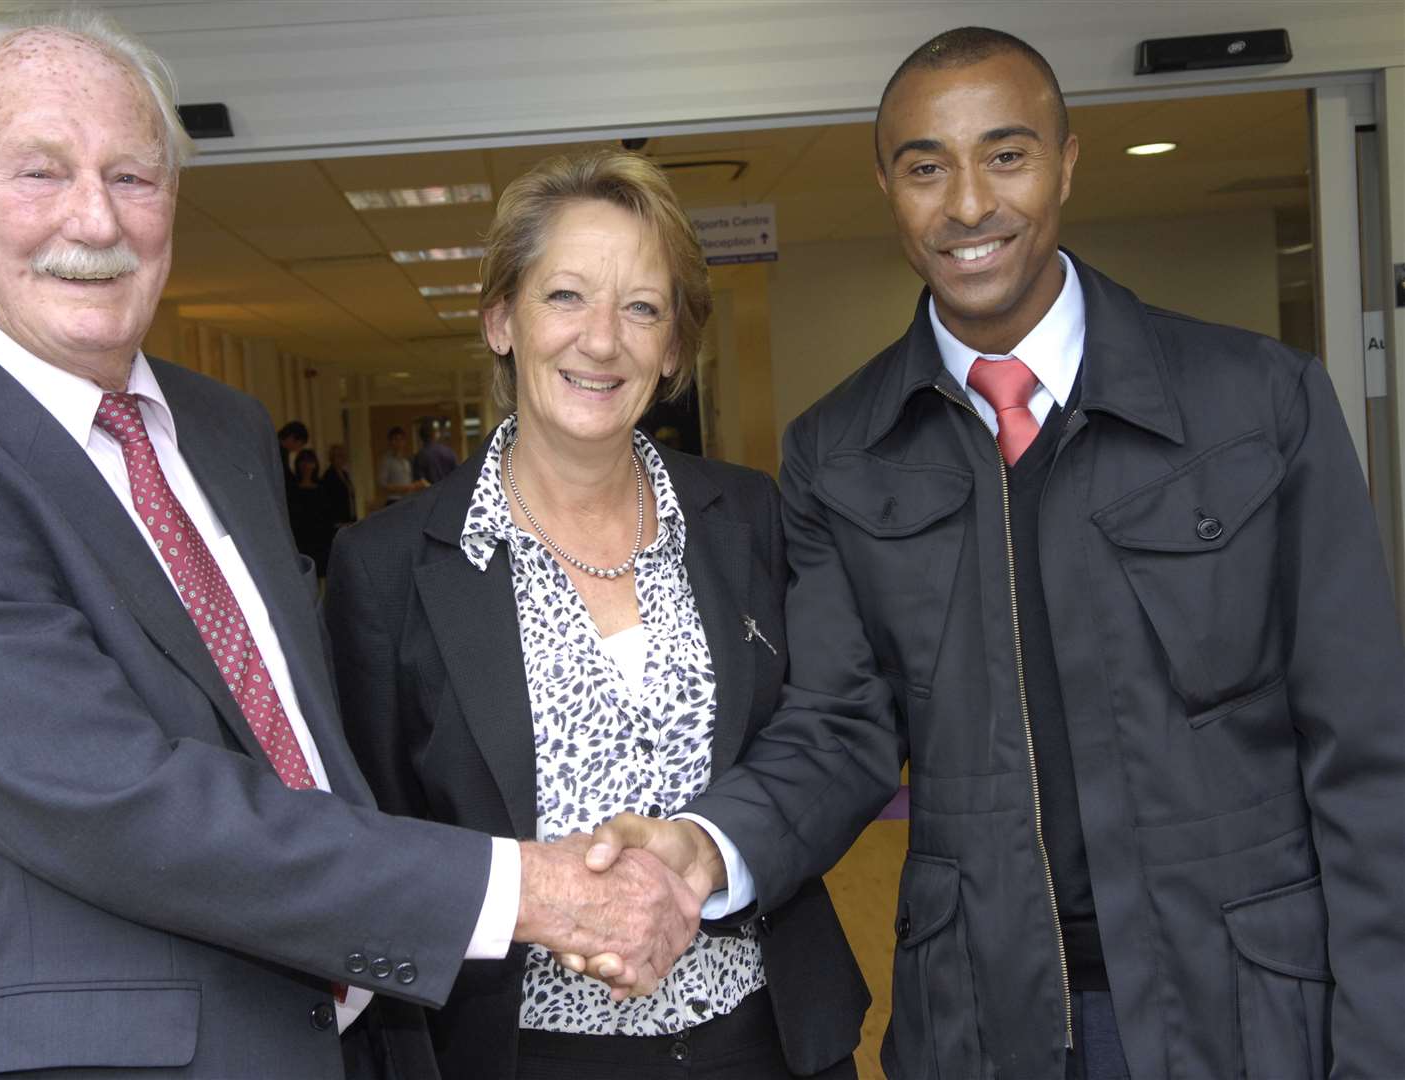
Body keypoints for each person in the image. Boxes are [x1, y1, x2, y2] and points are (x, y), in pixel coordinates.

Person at [0, 13, 702, 1079]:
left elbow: (304, 743)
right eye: (39, 172)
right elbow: (119, 804)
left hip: (359, 1030)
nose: (95, 217)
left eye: (133, 177)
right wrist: (531, 889)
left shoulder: (220, 428)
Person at [584, 26, 1405, 1080]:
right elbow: (839, 728)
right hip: (983, 1022)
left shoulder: (1260, 403)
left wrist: (1381, 1047)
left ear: (1066, 162)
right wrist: (707, 847)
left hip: (1244, 1013)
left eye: (1006, 156)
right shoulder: (838, 451)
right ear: (887, 184)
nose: (967, 204)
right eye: (926, 167)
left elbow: (1368, 754)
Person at [325, 150, 866, 1080]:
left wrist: (704, 849)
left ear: (674, 350)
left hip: (765, 1040)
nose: (602, 340)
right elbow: (372, 847)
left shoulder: (751, 519)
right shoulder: (386, 570)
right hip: (520, 1055)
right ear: (502, 319)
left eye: (642, 308)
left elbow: (839, 732)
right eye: (565, 296)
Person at [317, 442, 359, 572]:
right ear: (332, 458)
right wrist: (335, 521)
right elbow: (328, 501)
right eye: (337, 456)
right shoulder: (328, 476)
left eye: (342, 456)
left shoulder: (345, 474)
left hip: (349, 519)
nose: (340, 459)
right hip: (337, 522)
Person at [288, 447, 330, 574]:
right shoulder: (292, 489)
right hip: (300, 537)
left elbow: (326, 514)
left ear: (315, 465)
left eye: (310, 462)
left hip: (319, 536)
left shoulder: (322, 489)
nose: (306, 466)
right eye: (303, 461)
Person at [377, 425, 423, 504]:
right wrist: (406, 487)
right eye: (395, 439)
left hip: (408, 499)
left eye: (401, 439)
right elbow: (383, 485)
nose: (398, 443)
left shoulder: (406, 461)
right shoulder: (387, 461)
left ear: (404, 442)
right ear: (390, 442)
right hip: (394, 500)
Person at [412, 417, 458, 484]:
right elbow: (457, 475)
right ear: (435, 435)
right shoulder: (449, 452)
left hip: (431, 493)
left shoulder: (420, 456)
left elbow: (420, 481)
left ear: (420, 437)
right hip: (450, 491)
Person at [278, 418, 309, 500]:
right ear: (292, 437)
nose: (299, 448)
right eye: (300, 444)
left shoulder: (282, 451)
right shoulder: (279, 451)